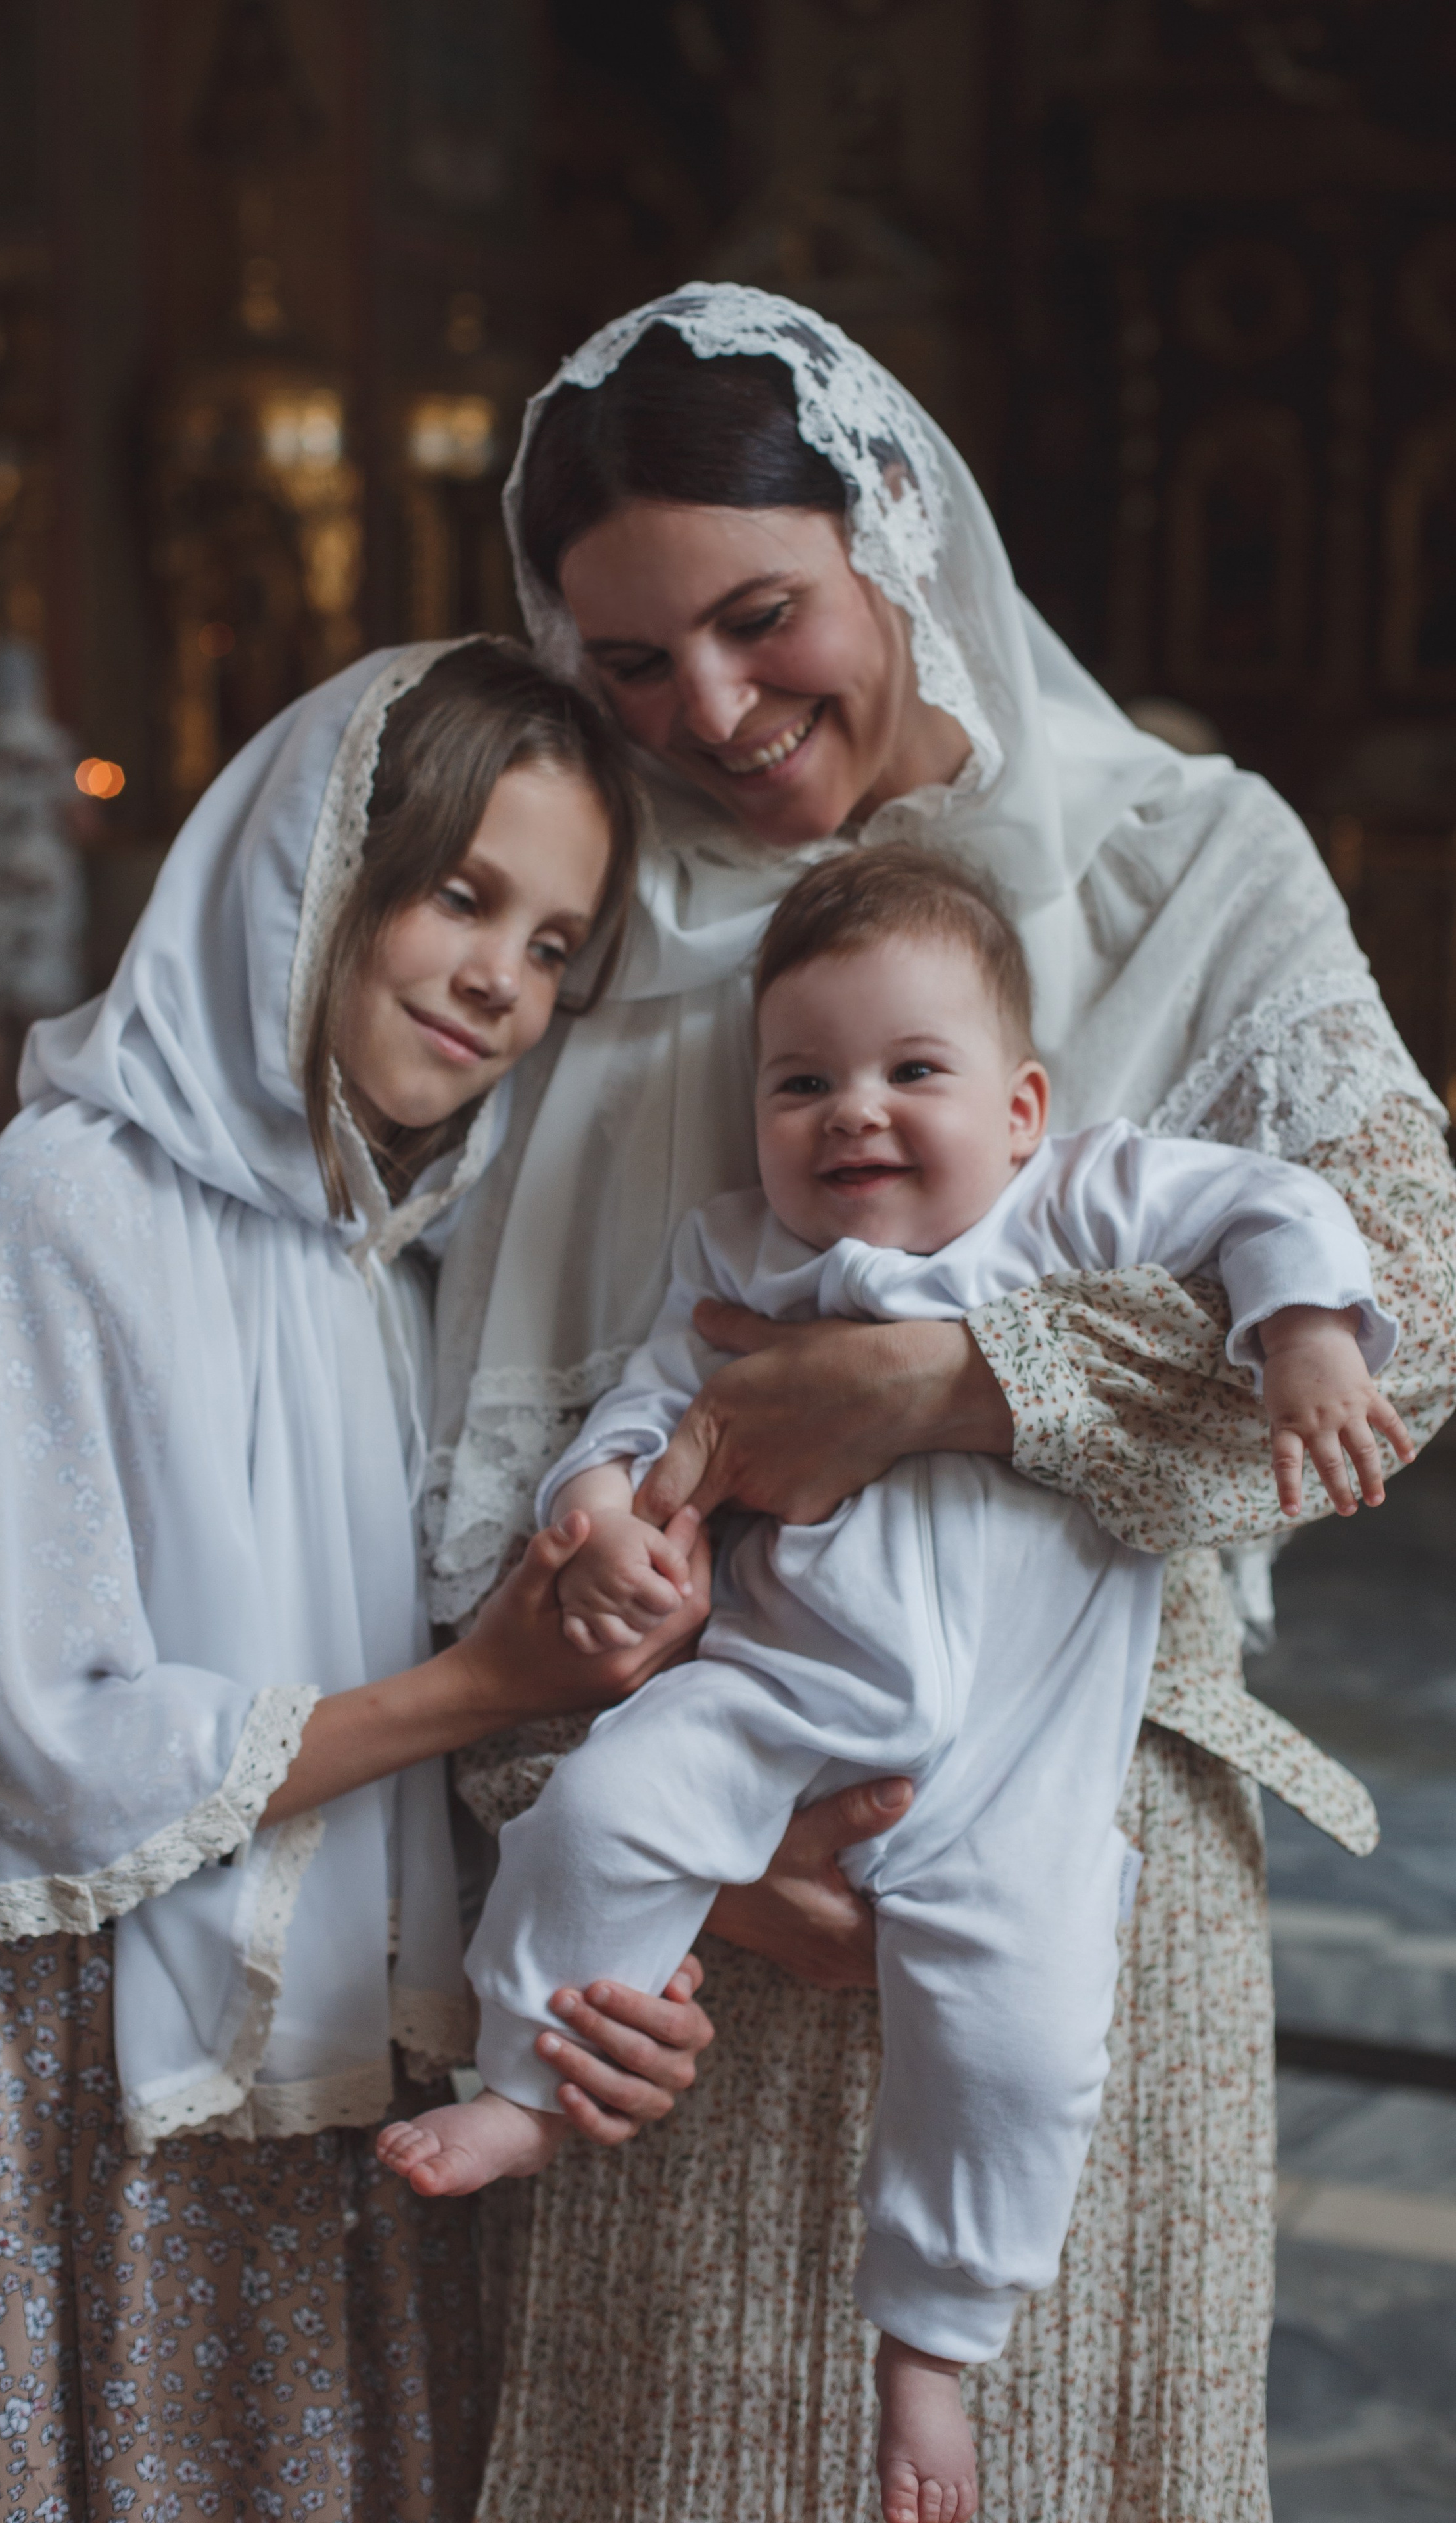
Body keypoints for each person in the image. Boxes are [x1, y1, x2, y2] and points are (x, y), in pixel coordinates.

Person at [423, 290, 1456, 2521]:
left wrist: (950, 1384)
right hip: (689, 1901)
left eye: (761, 615)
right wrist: (642, 1837)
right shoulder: (594, 928)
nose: (706, 710)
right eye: (628, 665)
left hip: (1075, 1856)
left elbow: (1418, 1298)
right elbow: (475, 1486)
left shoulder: (1188, 861)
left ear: (893, 533)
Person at [0, 638, 715, 2523]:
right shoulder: (61, 1212)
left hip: (327, 2052)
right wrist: (488, 1682)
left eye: (553, 945)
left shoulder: (384, 1249)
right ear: (313, 873)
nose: (500, 988)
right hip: (68, 2070)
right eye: (464, 898)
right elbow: (56, 1741)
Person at [388, 844, 1405, 2521]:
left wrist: (1300, 1328)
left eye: (907, 1073)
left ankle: (928, 2344)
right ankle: (523, 2086)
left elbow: (1263, 1203)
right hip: (772, 1707)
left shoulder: (1072, 1205)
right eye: (800, 1081)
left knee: (1019, 2048)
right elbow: (646, 1410)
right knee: (600, 1811)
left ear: (1017, 1107)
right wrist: (594, 1499)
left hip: (1015, 1771)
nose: (849, 1111)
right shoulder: (734, 1256)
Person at [0, 638, 91, 1141]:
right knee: (42, 1009)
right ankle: (35, 1125)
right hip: (43, 886)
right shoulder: (52, 743)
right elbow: (82, 820)